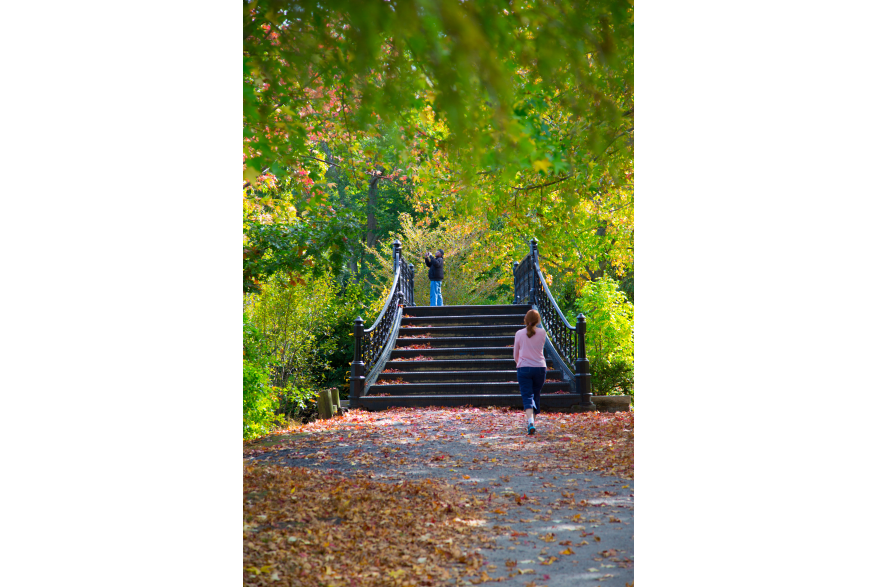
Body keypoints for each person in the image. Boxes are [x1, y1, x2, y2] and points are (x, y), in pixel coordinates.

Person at [514, 309, 547, 435]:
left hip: (524, 368)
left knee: (527, 396)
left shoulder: (519, 334)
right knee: (536, 394)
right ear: (538, 321)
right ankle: (532, 423)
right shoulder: (543, 333)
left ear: (525, 320)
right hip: (540, 368)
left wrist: (519, 363)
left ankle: (531, 422)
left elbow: (515, 354)